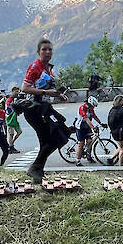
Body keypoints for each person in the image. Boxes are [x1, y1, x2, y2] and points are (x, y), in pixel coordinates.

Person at [21, 39, 70, 183]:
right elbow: (25, 88)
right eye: (44, 49)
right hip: (35, 108)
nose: (47, 52)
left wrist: (58, 95)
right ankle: (35, 168)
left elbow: (49, 90)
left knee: (49, 140)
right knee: (57, 138)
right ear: (38, 52)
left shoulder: (48, 68)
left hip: (45, 108)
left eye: (50, 49)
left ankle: (38, 172)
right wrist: (46, 92)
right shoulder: (35, 67)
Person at [74, 96, 106, 166]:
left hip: (86, 126)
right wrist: (93, 127)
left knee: (90, 141)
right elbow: (87, 119)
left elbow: (94, 116)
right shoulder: (82, 108)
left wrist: (101, 123)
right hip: (80, 127)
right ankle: (78, 160)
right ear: (89, 104)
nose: (93, 108)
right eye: (93, 106)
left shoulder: (90, 109)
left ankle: (88, 155)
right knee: (81, 144)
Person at [108, 95, 123, 166]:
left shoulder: (112, 109)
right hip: (120, 131)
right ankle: (121, 164)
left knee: (121, 145)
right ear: (120, 102)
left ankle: (111, 159)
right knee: (122, 148)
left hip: (114, 131)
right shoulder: (121, 110)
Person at [4, 87, 22, 152]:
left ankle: (11, 144)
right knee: (11, 134)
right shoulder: (9, 100)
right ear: (13, 91)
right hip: (9, 119)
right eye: (16, 91)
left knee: (19, 132)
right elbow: (9, 109)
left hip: (14, 119)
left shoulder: (15, 99)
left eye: (18, 91)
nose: (17, 93)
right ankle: (11, 147)